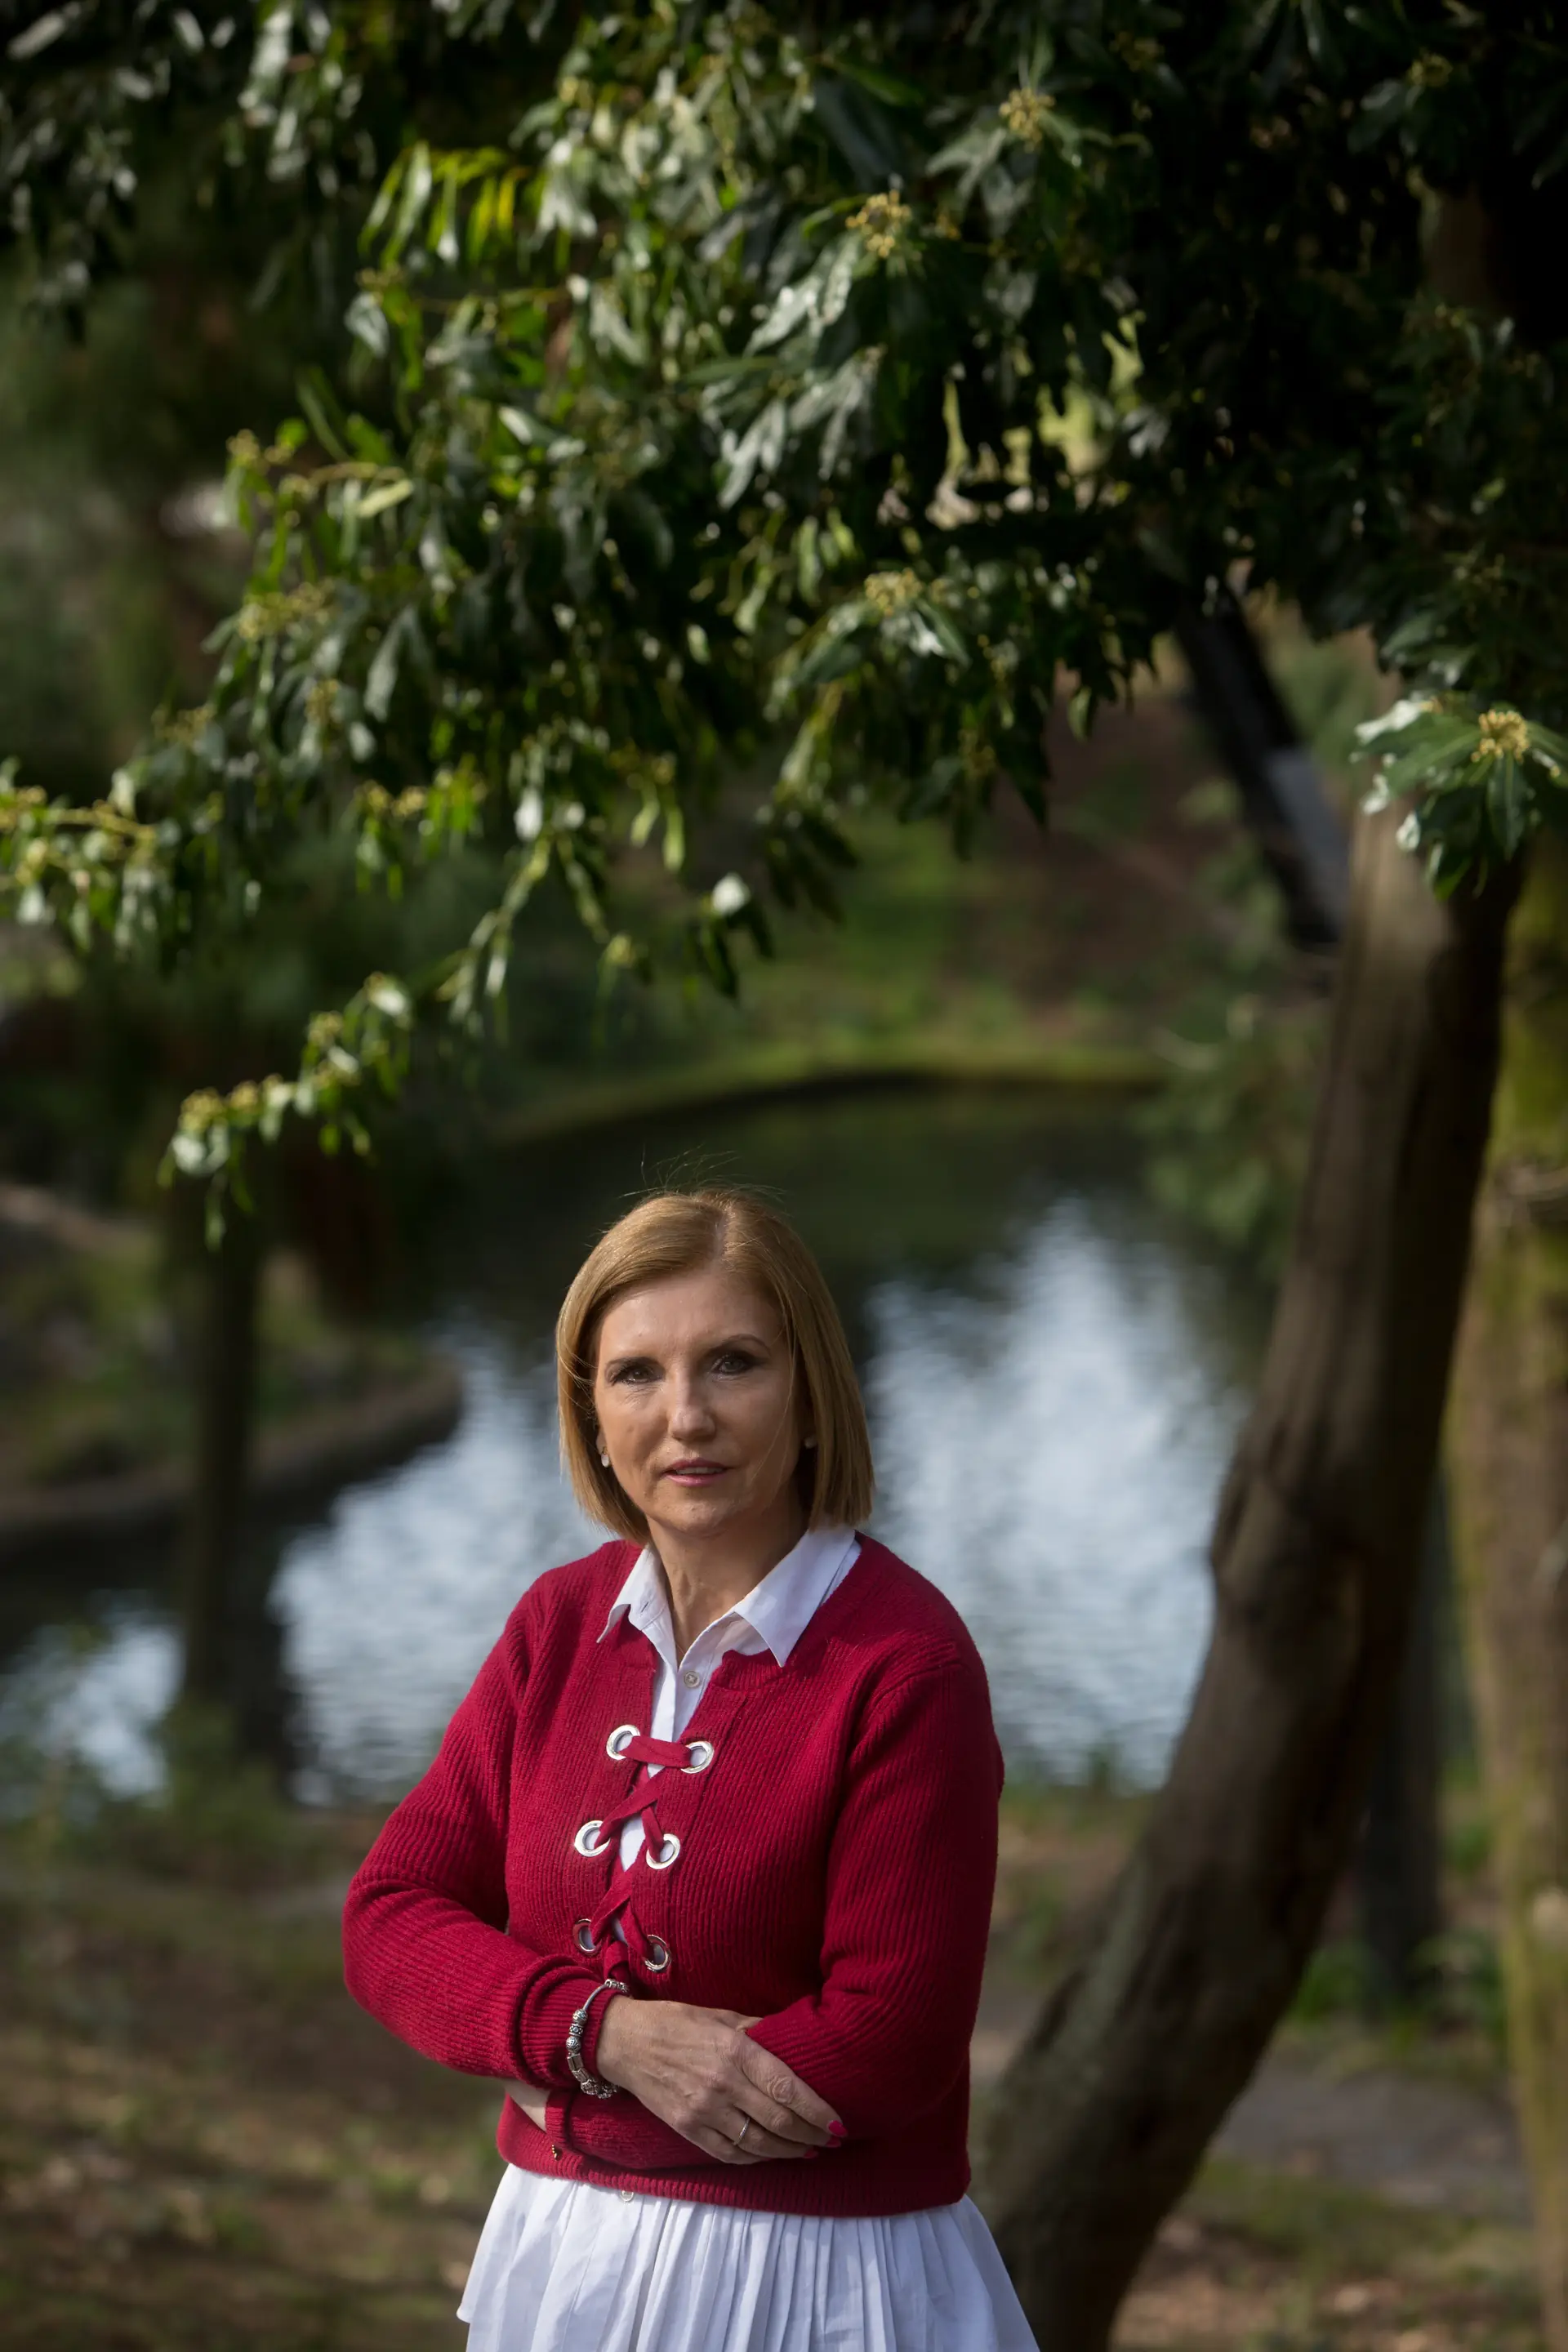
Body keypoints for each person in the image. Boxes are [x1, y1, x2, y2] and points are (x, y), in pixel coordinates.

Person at [342, 1187, 1037, 2351]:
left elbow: (889, 2041)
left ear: (810, 1392)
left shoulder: (905, 1663)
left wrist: (560, 2101)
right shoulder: (554, 1629)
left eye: (733, 1364)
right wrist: (598, 2036)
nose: (686, 1417)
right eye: (636, 1374)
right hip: (562, 2264)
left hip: (823, 2286)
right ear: (591, 1413)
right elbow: (388, 1916)